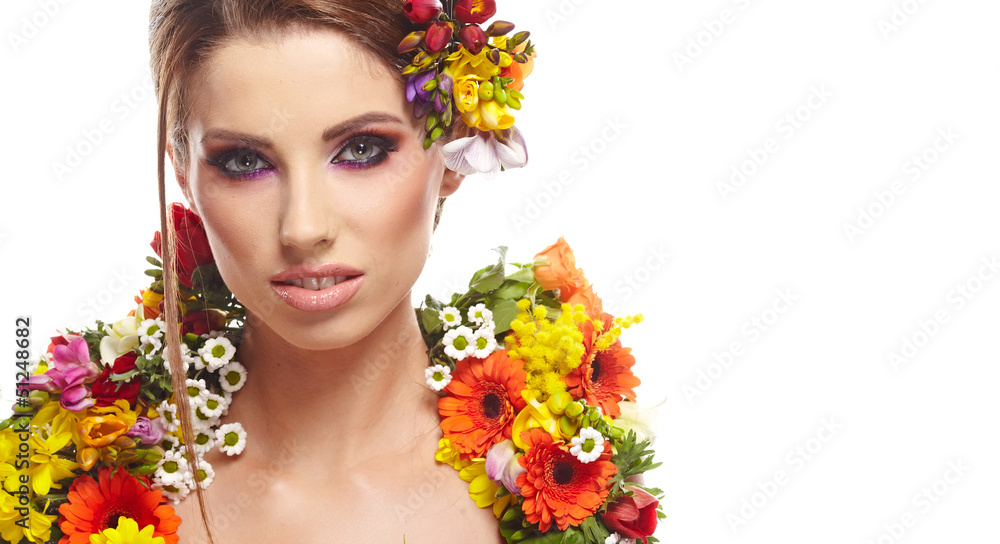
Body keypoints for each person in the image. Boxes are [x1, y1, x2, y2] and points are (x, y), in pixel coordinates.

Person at [2, 1, 662, 543]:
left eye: (363, 149)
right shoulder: (65, 471)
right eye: (242, 162)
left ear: (456, 152)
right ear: (182, 168)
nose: (303, 228)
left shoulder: (565, 469)